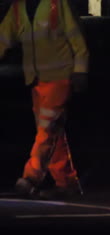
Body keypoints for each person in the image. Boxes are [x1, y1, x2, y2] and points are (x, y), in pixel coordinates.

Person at [0, 0, 89, 199]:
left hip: (59, 77)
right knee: (51, 133)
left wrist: (80, 70)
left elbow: (77, 37)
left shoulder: (58, 4)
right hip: (37, 80)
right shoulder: (18, 8)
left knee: (47, 131)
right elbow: (3, 38)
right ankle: (67, 183)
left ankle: (30, 177)